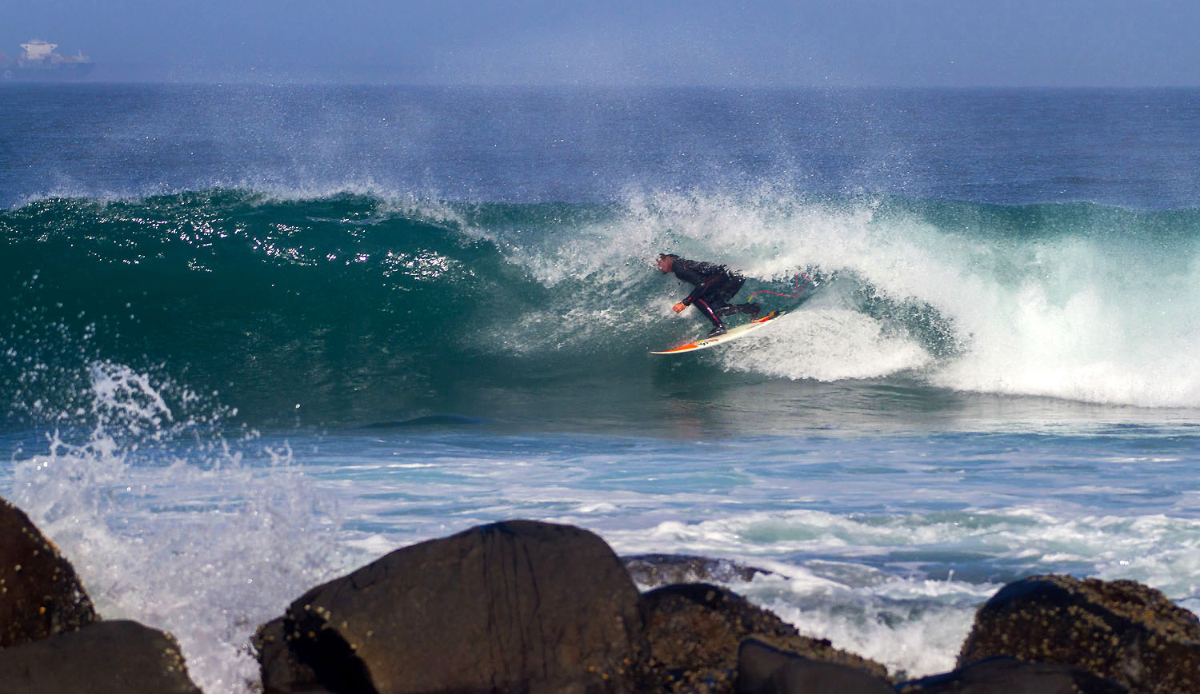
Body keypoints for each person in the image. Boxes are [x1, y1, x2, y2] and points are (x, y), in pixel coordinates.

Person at [657, 253, 760, 337]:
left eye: (659, 262)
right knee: (717, 310)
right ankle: (751, 308)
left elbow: (702, 285)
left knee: (697, 298)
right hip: (735, 276)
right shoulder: (681, 265)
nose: (658, 266)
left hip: (728, 276)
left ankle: (719, 326)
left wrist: (685, 303)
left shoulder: (678, 267)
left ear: (668, 258)